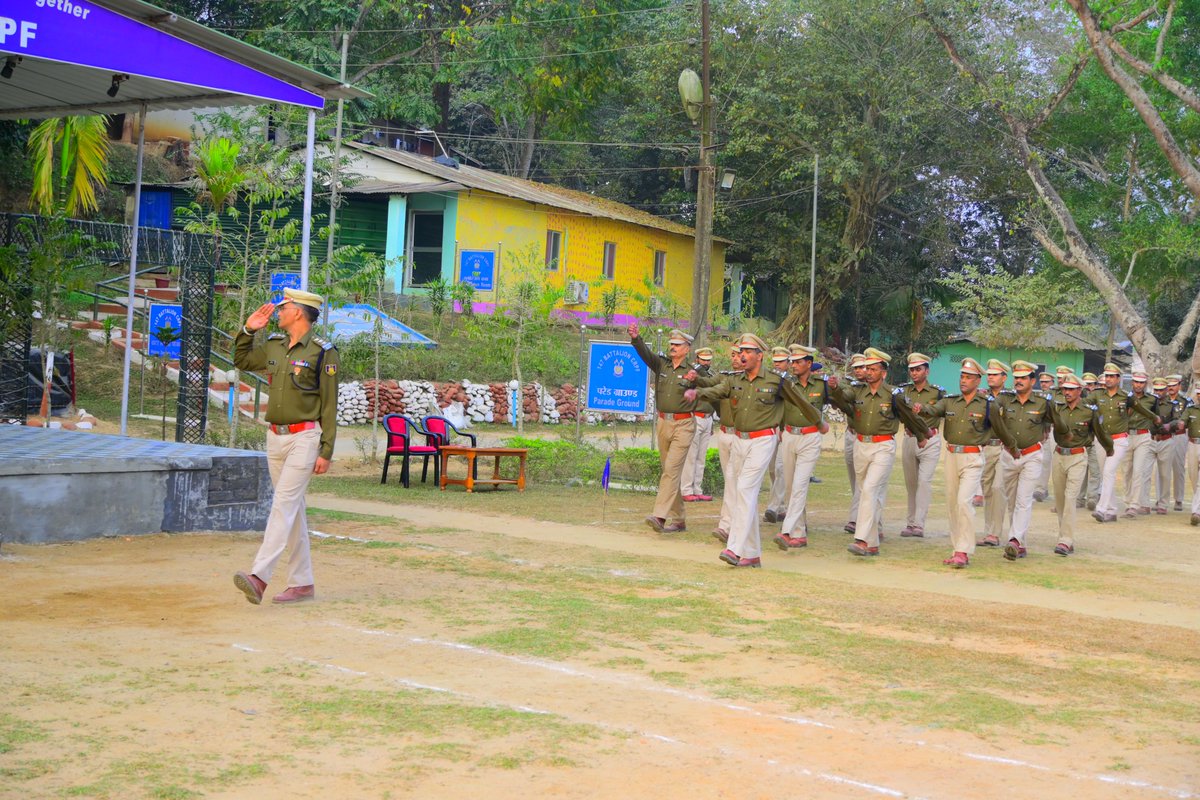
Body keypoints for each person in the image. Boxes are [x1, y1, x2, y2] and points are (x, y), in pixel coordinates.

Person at [232, 288, 339, 605]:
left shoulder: (322, 352)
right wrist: (248, 330)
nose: (278, 312)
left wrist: (326, 450)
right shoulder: (275, 345)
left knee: (282, 505)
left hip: (305, 438)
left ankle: (259, 577)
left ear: (299, 313)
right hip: (275, 437)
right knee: (292, 512)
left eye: (283, 308)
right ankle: (302, 584)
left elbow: (329, 405)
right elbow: (241, 360)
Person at [686, 333, 812, 567]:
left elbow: (801, 402)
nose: (742, 355)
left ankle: (734, 548)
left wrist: (819, 423)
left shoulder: (775, 381)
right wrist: (697, 393)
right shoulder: (735, 380)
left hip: (763, 440)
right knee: (741, 492)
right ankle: (752, 553)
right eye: (740, 351)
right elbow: (717, 391)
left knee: (745, 489)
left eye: (747, 352)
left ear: (759, 356)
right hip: (739, 440)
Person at [828, 348, 928, 557]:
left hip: (883, 446)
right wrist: (835, 388)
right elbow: (844, 398)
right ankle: (872, 542)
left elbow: (908, 416)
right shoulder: (858, 391)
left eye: (873, 369)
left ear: (883, 372)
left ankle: (862, 539)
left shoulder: (893, 394)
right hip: (861, 445)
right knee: (867, 492)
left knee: (869, 490)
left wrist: (922, 434)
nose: (868, 372)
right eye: (867, 368)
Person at [913, 358, 991, 568]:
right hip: (951, 456)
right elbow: (933, 410)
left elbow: (999, 426)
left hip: (973, 457)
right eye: (962, 376)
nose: (963, 380)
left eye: (968, 377)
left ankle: (964, 551)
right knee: (952, 503)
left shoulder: (986, 404)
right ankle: (957, 548)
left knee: (964, 502)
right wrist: (919, 408)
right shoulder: (950, 401)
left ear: (978, 380)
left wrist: (1011, 445)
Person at [629, 323, 696, 533]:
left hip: (684, 425)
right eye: (671, 344)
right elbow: (646, 355)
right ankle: (679, 519)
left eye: (677, 344)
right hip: (663, 422)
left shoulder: (693, 371)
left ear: (687, 348)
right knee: (669, 471)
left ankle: (659, 516)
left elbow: (708, 387)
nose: (673, 347)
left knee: (671, 471)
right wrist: (636, 338)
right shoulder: (662, 364)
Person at [991, 360, 1051, 561]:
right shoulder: (1005, 400)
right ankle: (1020, 544)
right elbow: (993, 412)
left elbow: (1053, 421)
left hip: (1031, 456)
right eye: (1016, 378)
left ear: (1032, 381)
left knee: (1024, 500)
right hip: (1009, 455)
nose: (1018, 381)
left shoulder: (1042, 402)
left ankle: (1014, 539)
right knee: (1012, 501)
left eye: (1023, 378)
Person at [1048, 374, 1114, 556]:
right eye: (1065, 389)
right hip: (1059, 455)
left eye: (1071, 389)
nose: (1067, 392)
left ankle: (1066, 540)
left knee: (1070, 498)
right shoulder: (1057, 408)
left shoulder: (1089, 411)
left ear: (1080, 390)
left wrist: (1109, 448)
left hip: (1078, 456)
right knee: (1060, 499)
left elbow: (1100, 432)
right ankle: (1064, 536)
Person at [773, 344, 831, 550]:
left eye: (798, 362)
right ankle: (799, 533)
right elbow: (779, 406)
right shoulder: (786, 384)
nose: (794, 365)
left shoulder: (822, 385)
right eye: (792, 362)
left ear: (809, 363)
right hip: (789, 435)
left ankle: (787, 531)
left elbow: (842, 400)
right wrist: (780, 429)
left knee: (799, 485)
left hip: (810, 437)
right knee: (790, 487)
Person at [1088, 363, 1155, 522]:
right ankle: (1112, 510)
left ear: (1118, 379)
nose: (1108, 379)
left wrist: (1155, 418)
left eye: (1112, 376)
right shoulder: (1097, 394)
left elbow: (1141, 409)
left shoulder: (1126, 396)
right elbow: (1084, 404)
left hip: (1119, 440)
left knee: (1109, 472)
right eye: (1107, 376)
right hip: (1102, 439)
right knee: (1105, 474)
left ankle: (1102, 508)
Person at [898, 352, 945, 538]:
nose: (914, 373)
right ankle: (910, 523)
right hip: (909, 438)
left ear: (927, 371)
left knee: (924, 482)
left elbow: (942, 411)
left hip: (930, 439)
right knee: (911, 484)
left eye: (918, 369)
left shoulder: (937, 392)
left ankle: (919, 524)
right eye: (912, 370)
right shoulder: (903, 391)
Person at [712, 345, 745, 543]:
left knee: (736, 481)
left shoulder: (753, 382)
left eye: (739, 355)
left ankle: (727, 524)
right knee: (730, 480)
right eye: (732, 355)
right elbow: (715, 400)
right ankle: (730, 523)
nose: (735, 359)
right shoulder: (725, 379)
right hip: (725, 432)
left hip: (742, 437)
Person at [976, 359, 1009, 545]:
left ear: (1004, 377)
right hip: (987, 447)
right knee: (987, 488)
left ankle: (995, 533)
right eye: (989, 375)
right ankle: (988, 531)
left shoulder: (1011, 398)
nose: (990, 377)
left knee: (998, 488)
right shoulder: (981, 397)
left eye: (995, 375)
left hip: (1004, 447)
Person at [834, 354, 867, 534]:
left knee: (863, 479)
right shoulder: (849, 386)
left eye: (862, 367)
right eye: (855, 368)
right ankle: (861, 512)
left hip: (866, 437)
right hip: (851, 433)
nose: (859, 371)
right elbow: (840, 401)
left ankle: (855, 519)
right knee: (854, 478)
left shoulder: (872, 388)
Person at [680, 346, 716, 503]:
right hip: (696, 416)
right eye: (703, 360)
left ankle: (697, 489)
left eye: (708, 360)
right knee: (691, 456)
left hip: (708, 418)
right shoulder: (693, 374)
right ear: (697, 359)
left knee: (701, 457)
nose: (706, 363)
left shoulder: (711, 375)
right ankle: (686, 489)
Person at [764, 347, 795, 523]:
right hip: (772, 427)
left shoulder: (791, 382)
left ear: (788, 363)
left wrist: (784, 428)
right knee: (772, 469)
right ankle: (782, 507)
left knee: (780, 468)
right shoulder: (769, 380)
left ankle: (773, 507)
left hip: (786, 429)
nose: (777, 365)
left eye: (781, 362)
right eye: (775, 361)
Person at [1121, 369, 1157, 517]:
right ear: (1132, 382)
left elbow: (1156, 418)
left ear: (1145, 384)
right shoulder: (1124, 397)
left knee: (1138, 471)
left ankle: (1134, 505)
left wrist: (1152, 432)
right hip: (1127, 436)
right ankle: (1127, 502)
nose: (1138, 385)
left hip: (1143, 436)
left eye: (1141, 382)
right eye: (1136, 382)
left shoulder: (1152, 400)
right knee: (1126, 471)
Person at [1149, 377, 1183, 514]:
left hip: (1168, 438)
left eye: (1161, 390)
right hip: (1150, 439)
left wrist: (1169, 425)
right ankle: (1145, 502)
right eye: (1156, 390)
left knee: (1166, 473)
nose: (1158, 392)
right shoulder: (1149, 402)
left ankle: (1166, 502)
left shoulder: (1172, 404)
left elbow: (1178, 419)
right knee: (1145, 472)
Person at [1177, 384, 1200, 525]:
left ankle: (1196, 512)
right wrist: (1180, 424)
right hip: (1192, 444)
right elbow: (1182, 421)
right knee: (1193, 477)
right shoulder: (1191, 409)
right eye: (1199, 393)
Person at [1033, 371, 1057, 503]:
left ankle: (1056, 491)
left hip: (1054, 430)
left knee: (1056, 462)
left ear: (1052, 382)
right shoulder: (1038, 396)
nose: (1044, 384)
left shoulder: (1056, 395)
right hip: (1041, 431)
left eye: (1047, 382)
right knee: (1043, 460)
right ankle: (1041, 489)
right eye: (1042, 382)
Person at [1165, 375, 1187, 511]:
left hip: (1179, 436)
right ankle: (1161, 499)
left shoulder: (1185, 402)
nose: (1171, 388)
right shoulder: (1162, 400)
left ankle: (1178, 499)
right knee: (1163, 468)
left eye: (1174, 385)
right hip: (1164, 436)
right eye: (1169, 385)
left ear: (1179, 386)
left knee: (1178, 468)